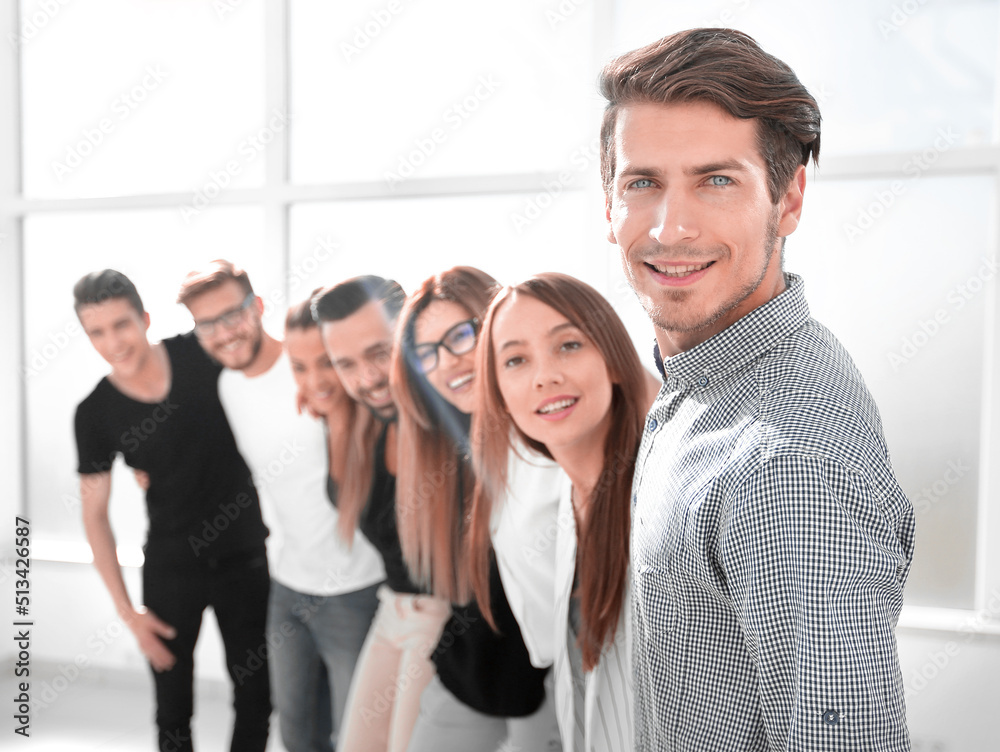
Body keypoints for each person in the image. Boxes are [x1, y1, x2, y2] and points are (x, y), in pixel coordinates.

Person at [600, 28, 916, 749]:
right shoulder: (705, 380)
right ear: (608, 203)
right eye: (641, 182)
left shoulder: (787, 466)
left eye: (717, 180)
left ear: (790, 197)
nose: (670, 227)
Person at [176, 262, 385, 752]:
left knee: (360, 734)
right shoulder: (227, 387)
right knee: (296, 734)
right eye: (207, 324)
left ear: (258, 307)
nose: (224, 333)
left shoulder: (315, 371)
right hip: (288, 587)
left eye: (233, 314)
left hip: (356, 589)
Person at [72, 269, 270, 752]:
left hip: (244, 558)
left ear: (144, 318)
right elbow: (94, 516)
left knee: (257, 697)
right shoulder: (94, 412)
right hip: (170, 569)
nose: (112, 342)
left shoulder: (200, 353)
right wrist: (128, 614)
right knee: (172, 709)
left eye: (121, 325)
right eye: (96, 332)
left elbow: (258, 360)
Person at [470, 272, 658, 752]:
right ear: (500, 396)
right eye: (515, 360)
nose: (543, 376)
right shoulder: (570, 504)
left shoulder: (659, 504)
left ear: (615, 361)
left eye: (568, 346)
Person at [390, 266, 562, 751]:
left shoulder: (551, 428)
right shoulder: (447, 443)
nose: (447, 363)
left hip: (546, 682)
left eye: (460, 336)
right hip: (469, 671)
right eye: (426, 353)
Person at [312, 276, 452, 752]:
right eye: (344, 363)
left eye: (379, 352)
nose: (367, 378)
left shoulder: (451, 416)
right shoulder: (358, 424)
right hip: (392, 608)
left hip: (447, 617)